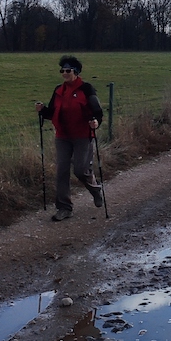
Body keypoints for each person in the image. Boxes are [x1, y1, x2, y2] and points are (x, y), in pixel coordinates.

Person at [35, 55, 104, 222]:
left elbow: (97, 110)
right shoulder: (59, 90)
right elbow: (52, 113)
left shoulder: (86, 89)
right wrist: (42, 110)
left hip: (82, 135)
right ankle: (64, 208)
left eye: (68, 70)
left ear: (76, 72)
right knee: (62, 172)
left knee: (81, 170)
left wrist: (96, 121)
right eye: (62, 70)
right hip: (63, 136)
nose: (64, 73)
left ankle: (95, 190)